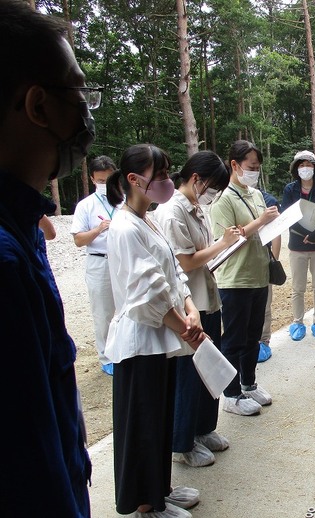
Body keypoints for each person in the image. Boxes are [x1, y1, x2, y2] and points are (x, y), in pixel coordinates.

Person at [0, 1, 94, 515]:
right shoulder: (4, 261)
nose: (85, 109)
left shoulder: (23, 231)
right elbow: (28, 461)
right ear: (38, 106)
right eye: (77, 89)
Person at [105, 144, 205, 517]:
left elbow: (172, 273)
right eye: (159, 175)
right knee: (143, 424)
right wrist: (186, 328)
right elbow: (148, 291)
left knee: (159, 417)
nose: (166, 181)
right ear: (134, 179)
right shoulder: (124, 227)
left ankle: (159, 490)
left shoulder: (148, 218)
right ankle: (147, 503)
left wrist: (190, 306)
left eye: (167, 173)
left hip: (161, 335)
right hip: (140, 339)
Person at [154, 150, 238, 468]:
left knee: (209, 370)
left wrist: (223, 248)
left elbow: (203, 254)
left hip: (207, 298)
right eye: (213, 187)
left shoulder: (198, 209)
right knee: (189, 375)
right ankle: (183, 441)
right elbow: (185, 261)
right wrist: (223, 244)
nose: (213, 194)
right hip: (190, 304)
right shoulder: (172, 212)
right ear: (196, 180)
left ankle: (204, 429)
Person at [211, 140, 279, 416]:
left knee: (253, 337)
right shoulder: (222, 200)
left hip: (258, 275)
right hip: (235, 280)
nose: (254, 172)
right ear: (235, 165)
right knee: (234, 339)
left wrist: (273, 224)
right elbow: (227, 240)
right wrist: (261, 221)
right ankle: (230, 395)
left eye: (258, 168)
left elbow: (262, 230)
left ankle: (248, 384)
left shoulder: (255, 194)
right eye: (250, 167)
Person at [71, 155, 118, 375]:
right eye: (99, 180)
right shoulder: (85, 205)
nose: (103, 184)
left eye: (107, 180)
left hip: (123, 261)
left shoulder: (124, 200)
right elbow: (78, 240)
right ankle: (106, 357)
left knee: (127, 308)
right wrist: (99, 229)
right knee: (103, 312)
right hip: (99, 261)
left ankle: (124, 352)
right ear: (91, 179)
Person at [282, 150, 315, 342]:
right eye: (302, 165)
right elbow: (287, 214)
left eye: (309, 164)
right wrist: (307, 235)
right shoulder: (290, 189)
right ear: (296, 168)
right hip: (297, 246)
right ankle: (297, 322)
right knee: (298, 287)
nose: (305, 168)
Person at [258, 188, 281, 362]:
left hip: (263, 260)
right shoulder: (224, 197)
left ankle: (263, 341)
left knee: (264, 305)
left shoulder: (267, 200)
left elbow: (276, 233)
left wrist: (274, 260)